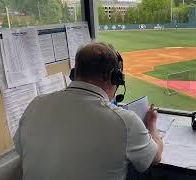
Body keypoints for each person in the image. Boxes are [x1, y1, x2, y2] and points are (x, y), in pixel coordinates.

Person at [13, 42, 163, 180]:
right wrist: (151, 124)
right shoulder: (125, 121)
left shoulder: (35, 105)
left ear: (74, 73)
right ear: (115, 78)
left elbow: (21, 149)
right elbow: (154, 158)